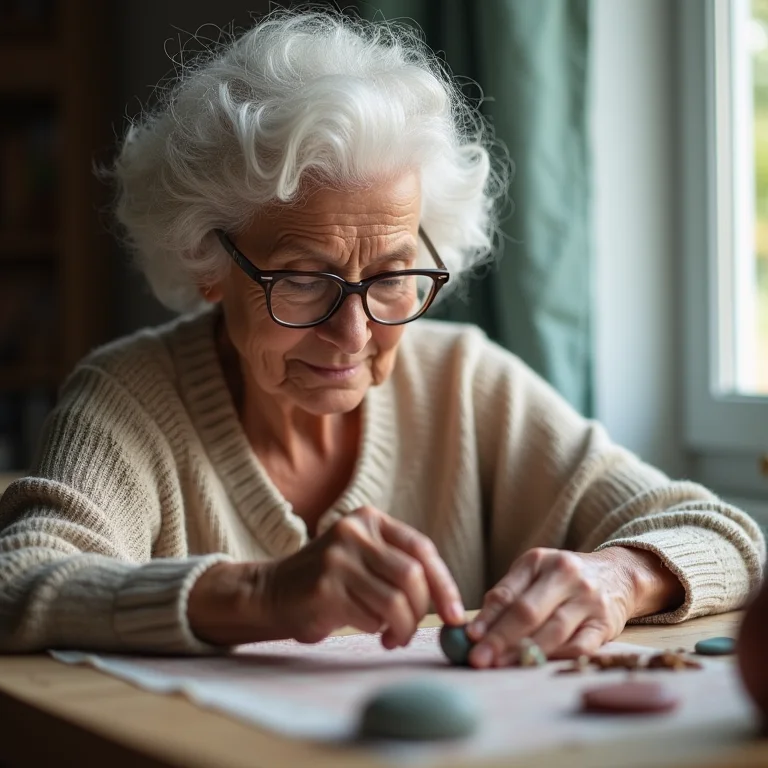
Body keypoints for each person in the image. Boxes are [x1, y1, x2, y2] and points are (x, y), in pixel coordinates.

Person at [0, 9, 763, 667]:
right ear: (207, 262)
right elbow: (17, 581)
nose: (355, 332)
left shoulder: (466, 382)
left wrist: (618, 578)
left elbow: (722, 531)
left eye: (392, 277)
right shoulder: (130, 399)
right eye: (303, 278)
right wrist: (262, 594)